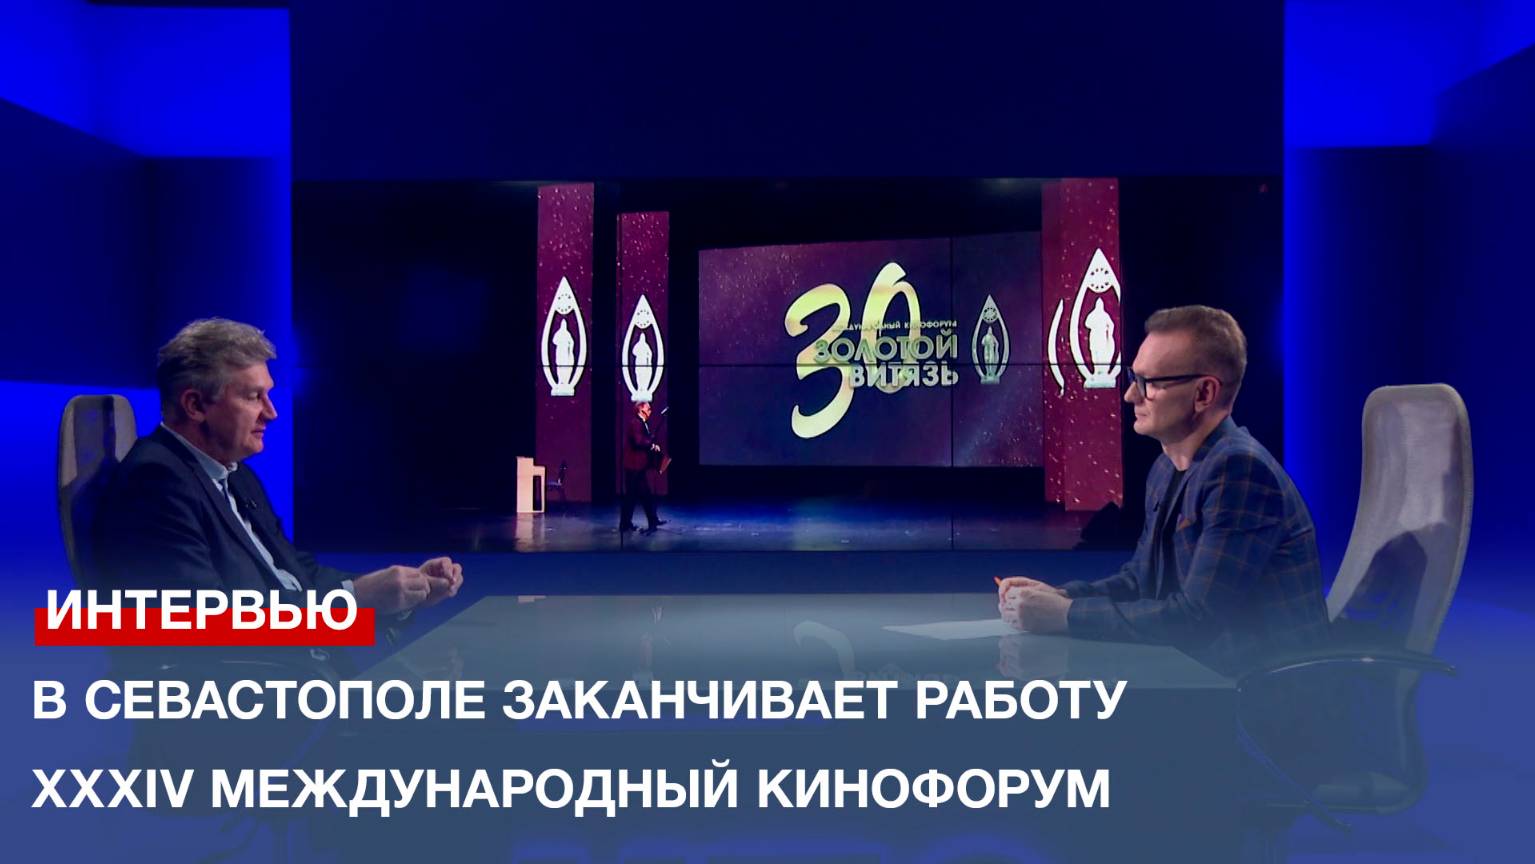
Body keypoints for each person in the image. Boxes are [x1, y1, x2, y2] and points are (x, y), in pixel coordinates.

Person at [998, 305, 1328, 676]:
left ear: (1204, 393)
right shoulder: (1167, 467)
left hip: (1262, 689)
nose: (1130, 396)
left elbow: (1197, 619)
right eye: (1133, 377)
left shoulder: (1239, 471)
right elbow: (1142, 581)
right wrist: (1061, 596)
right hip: (1204, 676)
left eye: (1149, 383)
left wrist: (1066, 615)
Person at [91, 319, 464, 638]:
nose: (271, 413)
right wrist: (355, 599)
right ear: (196, 405)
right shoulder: (156, 482)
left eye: (267, 395)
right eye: (254, 397)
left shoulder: (236, 475)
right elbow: (208, 624)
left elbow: (299, 576)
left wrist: (401, 591)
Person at [620, 400, 666, 534]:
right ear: (641, 410)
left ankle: (628, 524)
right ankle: (650, 522)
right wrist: (651, 445)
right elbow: (638, 441)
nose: (650, 411)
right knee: (640, 495)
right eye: (648, 408)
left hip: (637, 465)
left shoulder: (641, 423)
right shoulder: (635, 423)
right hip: (634, 465)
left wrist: (651, 443)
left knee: (635, 496)